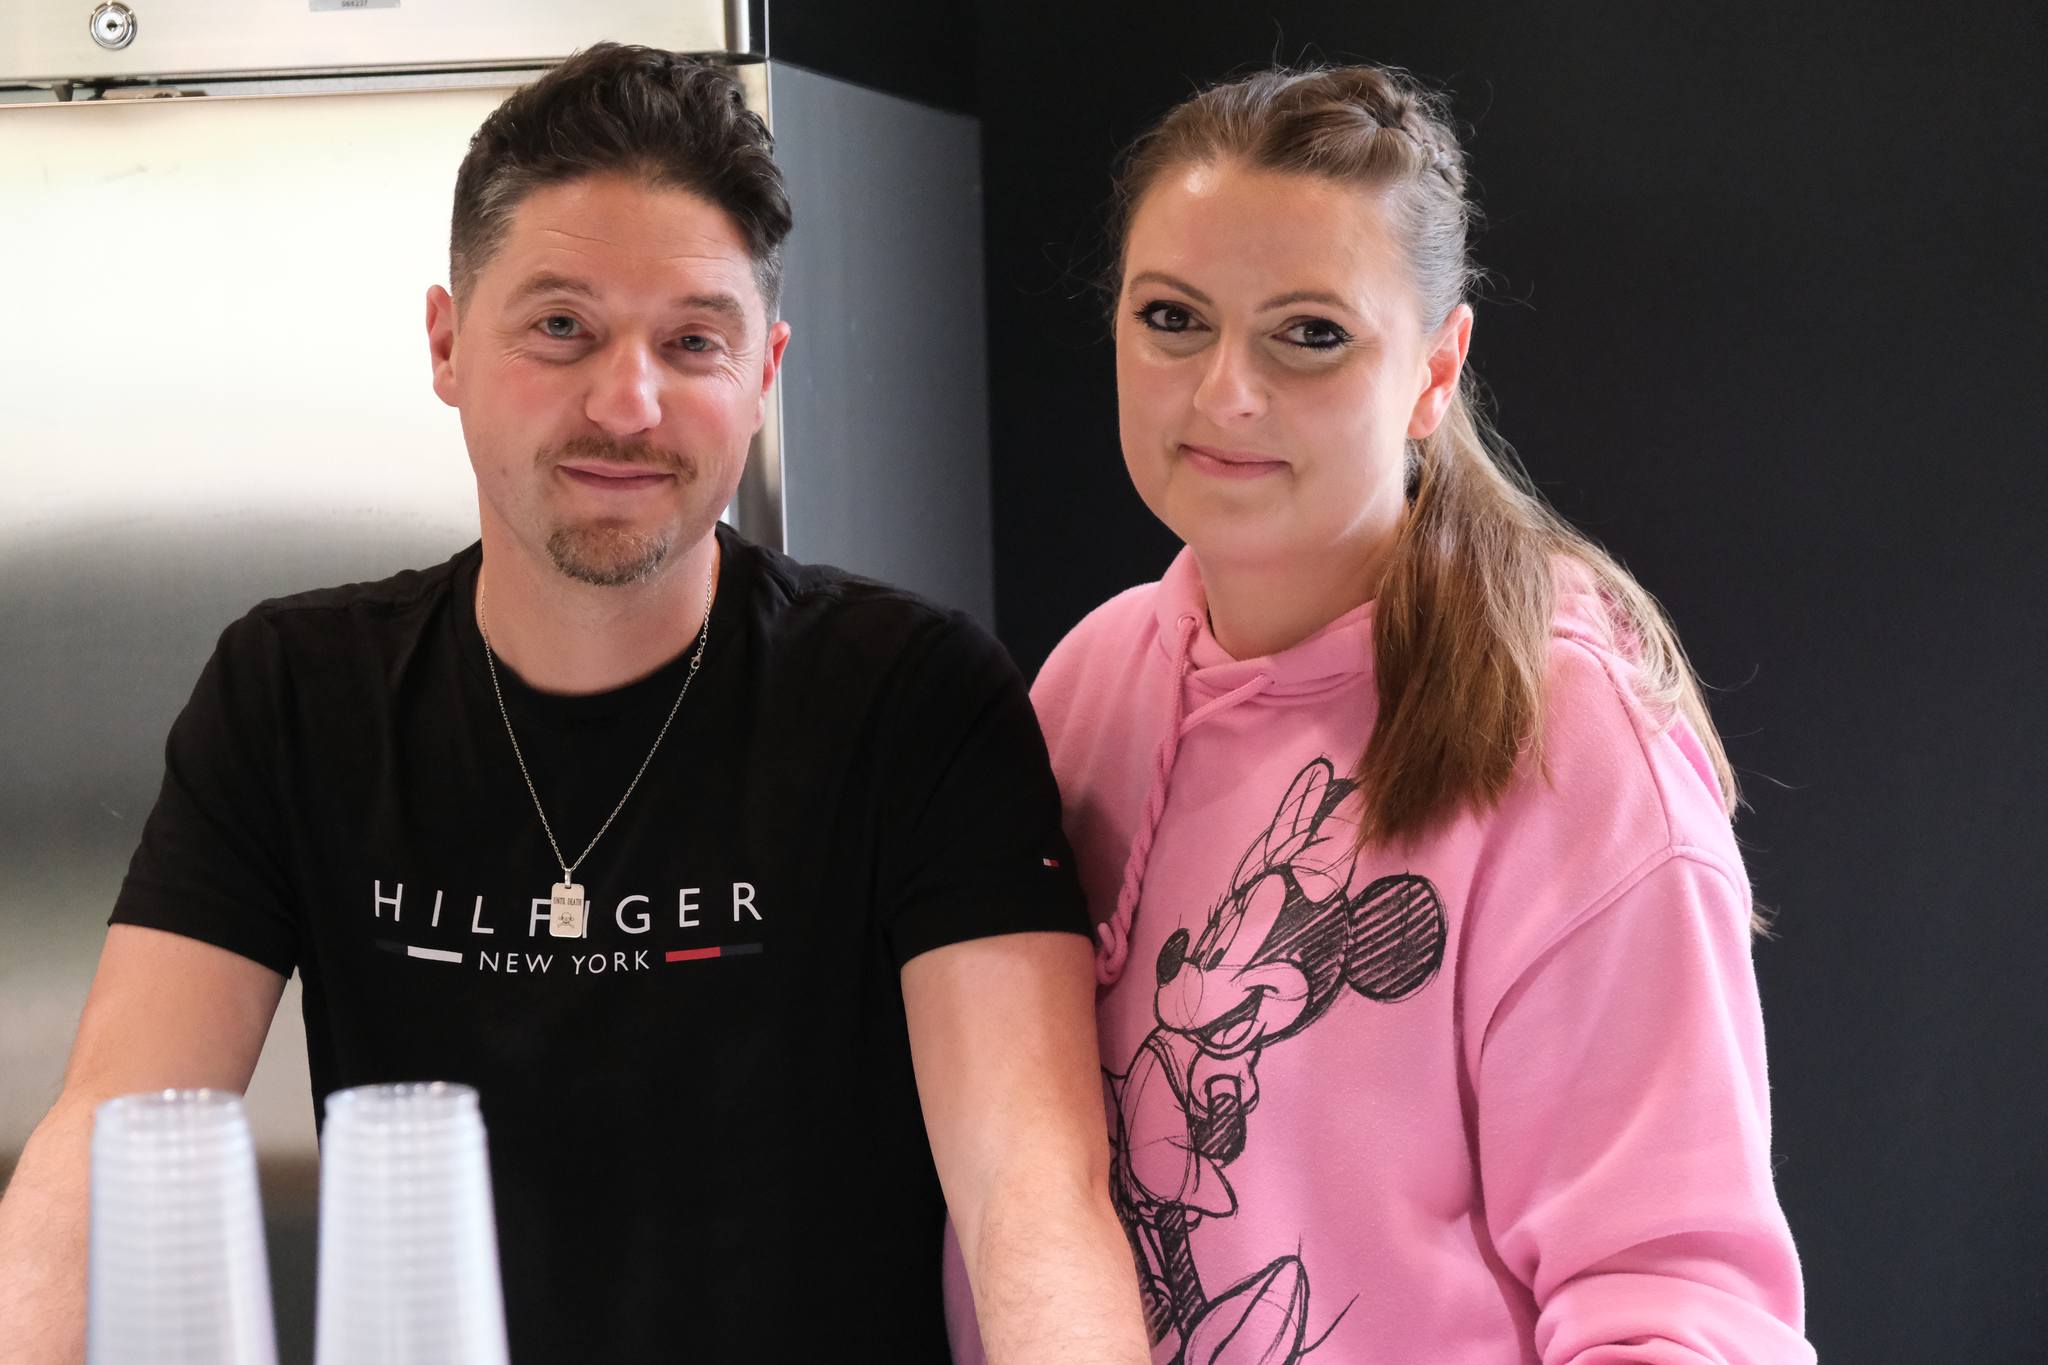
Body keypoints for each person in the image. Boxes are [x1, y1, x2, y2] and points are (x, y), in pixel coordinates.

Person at [0, 44, 1148, 1365]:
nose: (628, 402)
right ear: (447, 344)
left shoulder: (914, 695)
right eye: (562, 327)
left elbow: (1031, 1191)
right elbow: (110, 1138)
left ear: (764, 372)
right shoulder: (292, 693)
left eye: (692, 341)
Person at [947, 65, 1814, 1363]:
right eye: (1172, 318)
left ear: (1435, 369)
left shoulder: (1563, 732)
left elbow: (1677, 1301)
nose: (1224, 392)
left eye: (1309, 334)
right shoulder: (1089, 683)